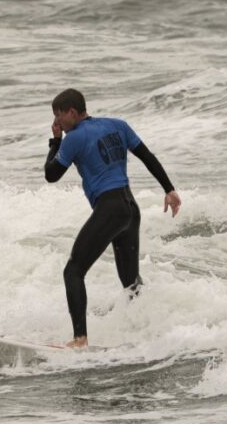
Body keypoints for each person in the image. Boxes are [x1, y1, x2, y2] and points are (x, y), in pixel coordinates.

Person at [44, 88, 181, 347]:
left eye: (59, 116)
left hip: (109, 209)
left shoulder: (73, 137)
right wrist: (169, 189)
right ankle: (148, 332)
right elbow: (147, 156)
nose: (57, 122)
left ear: (72, 112)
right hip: (130, 208)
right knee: (130, 282)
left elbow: (51, 175)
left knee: (73, 271)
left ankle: (79, 339)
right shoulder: (118, 125)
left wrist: (55, 141)